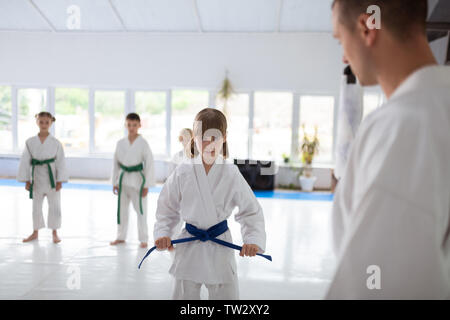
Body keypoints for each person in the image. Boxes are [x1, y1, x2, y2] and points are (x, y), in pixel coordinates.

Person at [327, 0, 450, 299]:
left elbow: (377, 282)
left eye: (341, 39)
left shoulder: (403, 125)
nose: (344, 56)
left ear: (369, 27)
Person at [153, 108, 267, 300]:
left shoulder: (230, 173)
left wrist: (252, 240)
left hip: (219, 244)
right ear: (194, 138)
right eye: (203, 137)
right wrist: (164, 233)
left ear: (224, 137)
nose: (208, 144)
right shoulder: (183, 171)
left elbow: (250, 211)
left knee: (226, 296)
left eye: (214, 137)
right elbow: (167, 207)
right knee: (184, 295)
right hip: (189, 243)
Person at [17, 111, 68, 244]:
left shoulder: (56, 143)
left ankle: (55, 232)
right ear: (36, 122)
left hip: (52, 178)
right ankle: (35, 232)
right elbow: (25, 161)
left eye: (47, 122)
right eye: (41, 122)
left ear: (51, 123)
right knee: (36, 207)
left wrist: (60, 180)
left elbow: (61, 162)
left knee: (55, 206)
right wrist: (27, 180)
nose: (44, 124)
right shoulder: (30, 142)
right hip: (37, 177)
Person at [110, 113, 155, 249]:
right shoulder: (120, 143)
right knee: (122, 210)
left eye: (134, 125)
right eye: (129, 125)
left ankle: (143, 238)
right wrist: (114, 182)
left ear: (139, 125)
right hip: (123, 180)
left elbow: (149, 164)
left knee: (141, 211)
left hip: (137, 182)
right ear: (125, 125)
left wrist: (147, 184)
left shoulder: (143, 143)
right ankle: (120, 236)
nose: (131, 128)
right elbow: (115, 163)